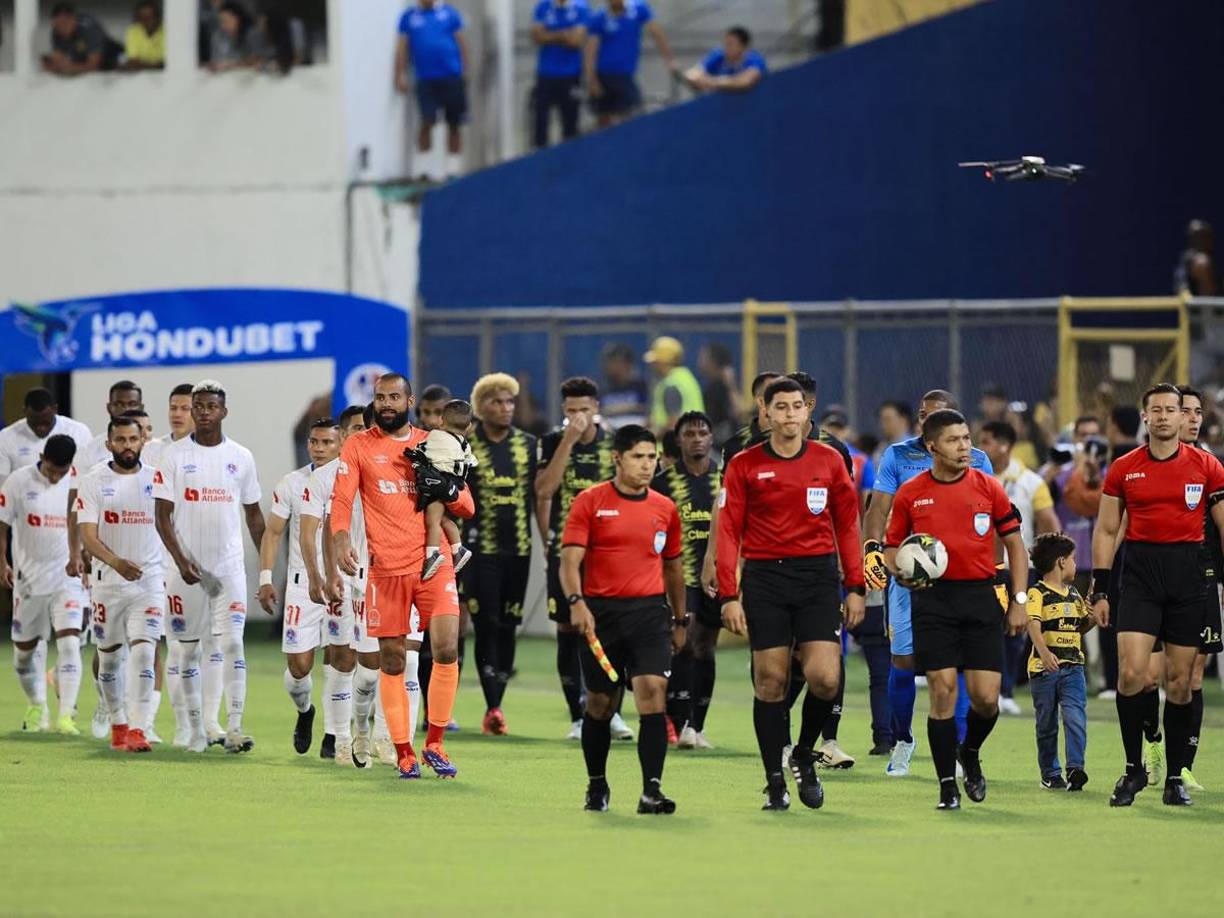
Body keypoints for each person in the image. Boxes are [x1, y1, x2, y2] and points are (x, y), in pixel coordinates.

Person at [717, 377, 865, 811]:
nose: (788, 415)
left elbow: (847, 526)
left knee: (825, 678)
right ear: (765, 412)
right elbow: (728, 531)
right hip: (765, 579)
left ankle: (803, 752)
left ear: (807, 411)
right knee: (771, 682)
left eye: (796, 406)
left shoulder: (830, 461)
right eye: (779, 407)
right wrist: (730, 593)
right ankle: (774, 782)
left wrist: (855, 586)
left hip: (818, 577)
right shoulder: (744, 465)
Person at [330, 373, 475, 780]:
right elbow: (342, 500)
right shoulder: (358, 445)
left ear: (410, 400)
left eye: (395, 396)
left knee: (446, 648)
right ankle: (403, 751)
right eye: (380, 397)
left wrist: (446, 490)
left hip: (434, 563)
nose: (387, 403)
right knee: (392, 660)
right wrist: (341, 540)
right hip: (386, 569)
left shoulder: (433, 442)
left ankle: (436, 743)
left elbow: (466, 504)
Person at [884, 408, 1029, 810]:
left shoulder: (989, 487)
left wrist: (1019, 601)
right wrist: (900, 570)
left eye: (967, 438)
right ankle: (947, 784)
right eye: (954, 440)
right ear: (932, 446)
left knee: (986, 700)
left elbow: (1016, 547)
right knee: (942, 691)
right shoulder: (911, 492)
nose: (965, 446)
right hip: (933, 601)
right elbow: (892, 546)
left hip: (981, 598)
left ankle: (971, 751)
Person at [1091, 383, 1224, 807]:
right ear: (1146, 417)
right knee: (1132, 675)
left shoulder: (1208, 466)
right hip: (1141, 579)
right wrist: (1100, 587)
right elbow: (1108, 529)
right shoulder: (1123, 468)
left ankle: (1175, 778)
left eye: (1172, 409)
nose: (1166, 416)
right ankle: (1133, 770)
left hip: (1188, 580)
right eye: (1158, 410)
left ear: (1181, 416)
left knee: (1181, 683)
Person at [862, 389, 993, 778]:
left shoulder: (979, 461)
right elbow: (878, 508)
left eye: (936, 415)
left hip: (963, 579)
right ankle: (902, 739)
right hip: (909, 576)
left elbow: (995, 517)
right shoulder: (898, 456)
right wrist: (872, 551)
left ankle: (957, 747)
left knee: (963, 664)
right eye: (923, 415)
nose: (926, 421)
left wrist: (998, 572)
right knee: (903, 660)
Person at [562, 424, 686, 814]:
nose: (647, 465)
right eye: (638, 457)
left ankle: (652, 790)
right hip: (601, 616)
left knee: (652, 691)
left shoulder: (665, 508)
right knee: (601, 703)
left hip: (649, 614)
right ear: (618, 458)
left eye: (651, 457)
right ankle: (596, 784)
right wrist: (576, 602)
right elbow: (569, 561)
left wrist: (680, 619)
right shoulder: (590, 501)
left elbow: (674, 568)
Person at [153, 380, 265, 754]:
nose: (202, 412)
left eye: (210, 406)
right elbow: (162, 517)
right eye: (197, 406)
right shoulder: (172, 456)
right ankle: (194, 728)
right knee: (185, 652)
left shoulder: (241, 457)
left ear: (223, 411)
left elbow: (253, 516)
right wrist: (181, 561)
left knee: (231, 643)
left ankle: (233, 727)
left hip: (228, 570)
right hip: (184, 572)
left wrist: (264, 571)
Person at [536, 377, 629, 740]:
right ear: (563, 411)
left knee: (611, 629)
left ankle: (614, 712)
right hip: (567, 551)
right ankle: (578, 715)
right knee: (568, 629)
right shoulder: (552, 442)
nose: (577, 417)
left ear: (597, 410)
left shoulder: (616, 444)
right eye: (571, 411)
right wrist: (569, 442)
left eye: (584, 410)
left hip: (610, 550)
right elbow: (544, 490)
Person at [302, 406, 395, 768]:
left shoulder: (397, 463)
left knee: (391, 664)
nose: (362, 434)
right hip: (352, 579)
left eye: (365, 428)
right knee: (345, 661)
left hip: (393, 576)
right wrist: (325, 575)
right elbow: (320, 528)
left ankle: (383, 737)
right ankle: (342, 738)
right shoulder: (328, 477)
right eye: (355, 429)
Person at [258, 419, 353, 763]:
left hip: (344, 583)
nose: (319, 447)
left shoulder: (353, 479)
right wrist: (266, 578)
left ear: (342, 443)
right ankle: (306, 709)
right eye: (314, 441)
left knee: (341, 660)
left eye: (327, 442)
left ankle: (334, 733)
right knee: (299, 668)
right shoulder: (292, 483)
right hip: (303, 585)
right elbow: (272, 533)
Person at [75, 417, 164, 753]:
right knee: (109, 659)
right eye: (121, 440)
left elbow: (169, 522)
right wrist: (117, 563)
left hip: (149, 581)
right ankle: (118, 722)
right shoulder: (94, 480)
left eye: (133, 438)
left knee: (144, 651)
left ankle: (139, 728)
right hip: (108, 582)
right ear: (109, 443)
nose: (127, 445)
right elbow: (88, 535)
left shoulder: (155, 479)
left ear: (142, 441)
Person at [464, 374, 537, 735]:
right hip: (480, 552)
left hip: (519, 550)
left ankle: (497, 704)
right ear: (481, 407)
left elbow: (541, 496)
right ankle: (493, 705)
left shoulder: (528, 445)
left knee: (508, 626)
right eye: (497, 402)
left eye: (510, 402)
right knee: (486, 625)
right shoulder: (467, 446)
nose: (505, 409)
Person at [0, 435, 87, 734]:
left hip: (67, 578)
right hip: (29, 580)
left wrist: (79, 557)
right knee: (24, 652)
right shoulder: (18, 481)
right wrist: (3, 563)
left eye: (62, 471)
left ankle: (65, 716)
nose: (56, 476)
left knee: (70, 641)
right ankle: (37, 704)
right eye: (52, 470)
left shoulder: (77, 481)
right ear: (41, 456)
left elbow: (84, 524)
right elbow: (2, 525)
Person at [979, 419, 1061, 715]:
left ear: (1005, 445)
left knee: (1016, 627)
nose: (981, 448)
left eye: (987, 441)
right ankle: (990, 687)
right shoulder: (974, 476)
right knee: (986, 627)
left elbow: (1050, 523)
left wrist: (1052, 564)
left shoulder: (1030, 482)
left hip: (1018, 567)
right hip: (981, 566)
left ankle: (1007, 690)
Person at [650, 411, 720, 749]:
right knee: (685, 643)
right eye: (689, 433)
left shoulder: (723, 480)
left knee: (706, 647)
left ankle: (697, 724)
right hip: (679, 577)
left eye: (702, 432)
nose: (696, 438)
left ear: (711, 438)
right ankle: (677, 721)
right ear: (678, 440)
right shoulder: (663, 483)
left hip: (717, 578)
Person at [1168, 385, 1221, 791]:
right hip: (1153, 581)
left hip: (1202, 580)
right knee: (1149, 676)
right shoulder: (1145, 464)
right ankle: (1151, 744)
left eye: (1197, 412)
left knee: (1194, 674)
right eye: (1185, 410)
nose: (1193, 418)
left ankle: (1182, 766)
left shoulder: (1212, 466)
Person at [1026, 533, 1093, 791]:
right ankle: (1050, 773)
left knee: (1075, 716)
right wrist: (1043, 653)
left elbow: (1079, 628)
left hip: (1073, 668)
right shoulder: (1038, 592)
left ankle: (1075, 768)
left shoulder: (1075, 596)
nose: (1077, 565)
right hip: (1044, 671)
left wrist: (1093, 618)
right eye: (1074, 559)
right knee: (1047, 724)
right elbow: (1033, 624)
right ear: (1062, 562)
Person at [395, 0, 469, 180]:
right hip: (426, 79)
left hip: (451, 76)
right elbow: (402, 47)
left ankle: (453, 169)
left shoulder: (449, 14)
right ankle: (424, 170)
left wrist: (465, 71)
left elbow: (461, 44)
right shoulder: (409, 17)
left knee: (454, 123)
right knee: (427, 121)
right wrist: (400, 74)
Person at [584, 0, 674, 129]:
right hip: (603, 75)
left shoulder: (638, 9)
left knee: (631, 114)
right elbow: (590, 51)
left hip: (625, 76)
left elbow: (657, 33)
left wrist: (669, 60)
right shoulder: (599, 17)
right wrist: (591, 80)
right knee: (603, 117)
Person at [417, 399, 476, 581]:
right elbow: (471, 461)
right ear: (468, 426)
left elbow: (423, 450)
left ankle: (432, 554)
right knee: (443, 519)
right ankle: (458, 549)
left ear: (441, 420)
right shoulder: (463, 443)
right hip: (456, 482)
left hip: (438, 482)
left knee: (432, 520)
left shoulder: (434, 436)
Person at [0, 388, 92, 487]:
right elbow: (3, 484)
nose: (41, 428)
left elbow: (89, 474)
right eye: (34, 423)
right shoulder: (6, 437)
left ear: (55, 409)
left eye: (46, 422)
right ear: (24, 411)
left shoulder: (79, 432)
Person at [530, 0, 589, 148]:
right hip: (546, 74)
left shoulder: (580, 7)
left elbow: (576, 40)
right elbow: (537, 37)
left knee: (570, 122)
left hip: (571, 75)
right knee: (540, 122)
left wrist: (550, 35)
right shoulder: (543, 6)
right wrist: (564, 34)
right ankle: (540, 162)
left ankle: (569, 162)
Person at [644, 336, 704, 435]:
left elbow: (673, 425)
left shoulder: (671, 385)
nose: (653, 365)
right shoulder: (686, 377)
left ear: (663, 361)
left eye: (655, 361)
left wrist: (649, 436)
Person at [43, 2, 122, 75]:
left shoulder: (89, 29)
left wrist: (69, 68)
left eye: (65, 24)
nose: (62, 28)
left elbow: (93, 66)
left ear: (74, 20)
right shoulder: (56, 31)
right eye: (58, 24)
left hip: (110, 57)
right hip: (81, 57)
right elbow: (58, 57)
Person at [682, 25, 765, 93]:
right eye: (725, 43)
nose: (726, 48)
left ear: (743, 47)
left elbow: (745, 82)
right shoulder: (719, 55)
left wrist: (713, 82)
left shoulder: (755, 59)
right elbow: (691, 73)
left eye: (730, 44)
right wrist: (698, 79)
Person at [140, 383, 195, 471]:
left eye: (185, 409)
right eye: (173, 408)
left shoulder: (209, 451)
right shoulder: (149, 450)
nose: (177, 414)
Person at [696, 343, 740, 446]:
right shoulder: (712, 387)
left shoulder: (722, 388)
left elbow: (738, 412)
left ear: (713, 362)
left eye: (704, 357)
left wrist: (731, 385)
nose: (700, 362)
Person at [600, 343, 650, 429]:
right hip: (610, 433)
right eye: (610, 362)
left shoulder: (641, 386)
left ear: (628, 364)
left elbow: (650, 409)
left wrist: (631, 408)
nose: (613, 367)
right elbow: (595, 412)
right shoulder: (602, 388)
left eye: (618, 362)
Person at [1173, 219, 1217, 296]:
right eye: (1197, 237)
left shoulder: (1215, 259)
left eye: (1205, 236)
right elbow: (1181, 286)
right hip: (1196, 305)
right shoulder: (1188, 260)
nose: (1201, 241)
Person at [122, 1, 165, 70]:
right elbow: (133, 61)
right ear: (138, 19)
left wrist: (143, 65)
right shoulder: (133, 30)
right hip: (141, 75)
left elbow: (167, 62)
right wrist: (152, 66)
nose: (148, 20)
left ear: (158, 17)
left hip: (166, 73)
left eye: (151, 16)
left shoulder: (169, 31)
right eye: (144, 17)